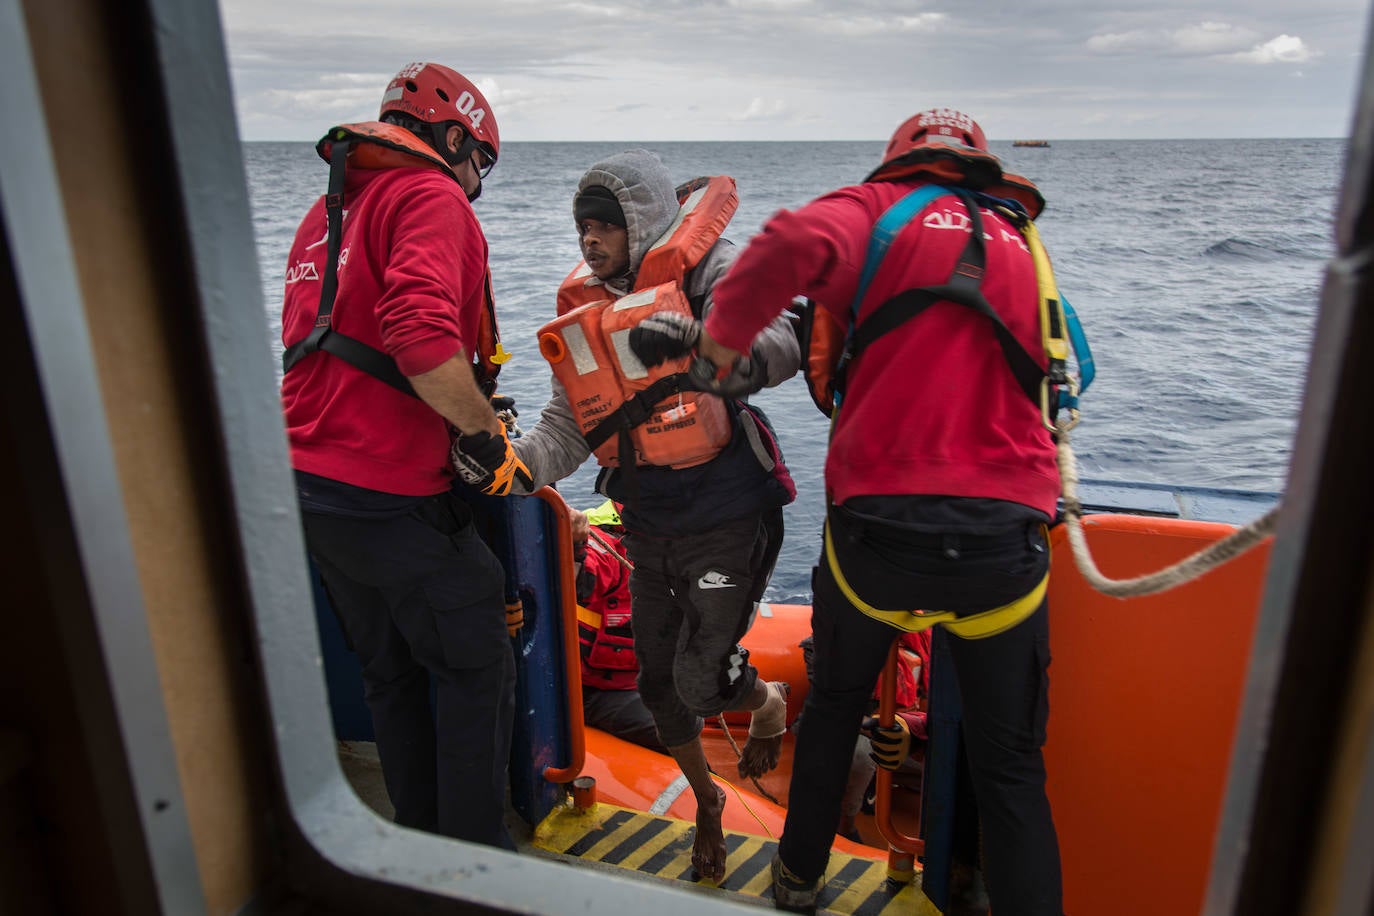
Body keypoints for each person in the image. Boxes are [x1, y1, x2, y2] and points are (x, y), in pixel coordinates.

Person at [676, 109, 1065, 913]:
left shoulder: (870, 210)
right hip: (1003, 549)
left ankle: (797, 882)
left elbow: (780, 248)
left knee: (836, 711)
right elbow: (1071, 370)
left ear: (898, 162)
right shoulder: (1021, 238)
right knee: (1013, 770)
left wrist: (718, 352)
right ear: (980, 167)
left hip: (876, 539)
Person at [499, 149, 801, 883]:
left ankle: (767, 703)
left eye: (605, 226)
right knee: (662, 690)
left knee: (702, 682)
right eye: (583, 229)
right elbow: (567, 428)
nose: (591, 241)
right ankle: (706, 804)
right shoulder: (586, 309)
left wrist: (702, 342)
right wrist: (512, 465)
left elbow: (786, 341)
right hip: (649, 516)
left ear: (642, 223)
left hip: (731, 508)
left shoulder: (716, 271)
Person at [278, 62, 531, 849]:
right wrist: (489, 441)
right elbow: (420, 339)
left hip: (308, 487)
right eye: (478, 161)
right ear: (454, 136)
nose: (476, 181)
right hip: (392, 494)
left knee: (389, 674)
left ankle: (417, 839)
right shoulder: (429, 195)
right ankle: (476, 865)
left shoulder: (328, 211)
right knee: (476, 666)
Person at [570, 502, 666, 753]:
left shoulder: (676, 545)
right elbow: (580, 578)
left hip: (637, 678)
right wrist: (576, 547)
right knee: (671, 730)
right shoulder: (603, 542)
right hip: (593, 688)